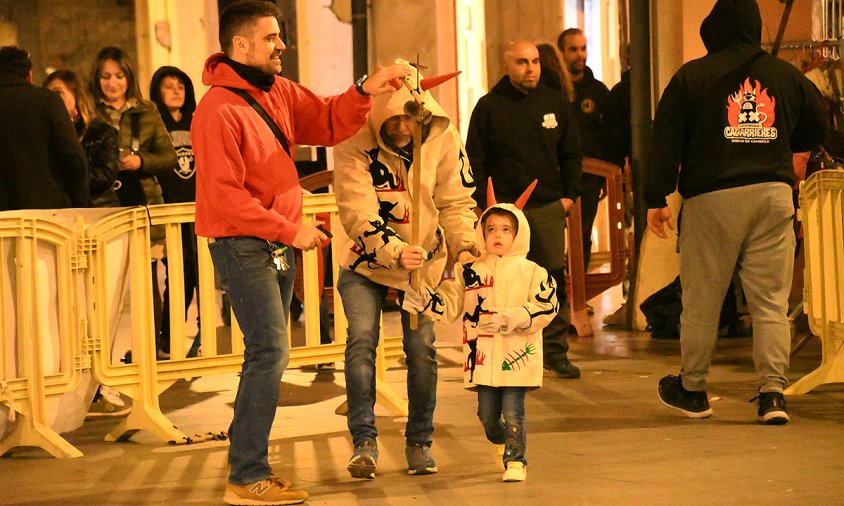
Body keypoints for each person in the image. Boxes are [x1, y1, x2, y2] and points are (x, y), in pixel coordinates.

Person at [190, 2, 411, 504]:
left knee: (267, 353)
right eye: (270, 37)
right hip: (244, 243)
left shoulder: (279, 91)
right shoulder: (217, 111)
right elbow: (225, 197)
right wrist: (289, 229)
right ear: (240, 46)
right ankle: (246, 477)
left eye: (281, 36)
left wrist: (365, 90)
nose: (281, 45)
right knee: (270, 352)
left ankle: (250, 468)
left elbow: (328, 121)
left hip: (271, 241)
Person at [646, 0, 827, 425]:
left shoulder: (691, 76)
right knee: (770, 302)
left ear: (713, 28)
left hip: (713, 198)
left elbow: (665, 138)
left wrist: (656, 197)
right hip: (773, 194)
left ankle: (692, 389)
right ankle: (773, 395)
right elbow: (817, 125)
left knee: (703, 300)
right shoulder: (785, 75)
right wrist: (782, 140)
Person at [333, 60, 479, 480]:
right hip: (366, 261)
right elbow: (356, 209)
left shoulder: (443, 137)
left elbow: (455, 201)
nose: (401, 126)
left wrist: (465, 244)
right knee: (362, 340)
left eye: (410, 117)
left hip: (423, 266)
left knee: (422, 350)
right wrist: (394, 251)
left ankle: (419, 441)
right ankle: (364, 441)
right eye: (394, 116)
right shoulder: (354, 138)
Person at [401, 183, 558, 483]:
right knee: (487, 416)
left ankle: (516, 459)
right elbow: (451, 302)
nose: (497, 235)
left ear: (519, 234)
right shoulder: (470, 271)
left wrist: (513, 318)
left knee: (514, 411)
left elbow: (546, 305)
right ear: (481, 233)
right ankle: (500, 439)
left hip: (517, 359)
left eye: (506, 230)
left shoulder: (533, 273)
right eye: (491, 229)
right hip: (482, 360)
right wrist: (425, 301)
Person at [467, 40, 582, 380]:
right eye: (521, 62)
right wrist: (479, 204)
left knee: (551, 278)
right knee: (504, 280)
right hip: (503, 210)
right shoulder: (489, 107)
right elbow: (476, 158)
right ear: (507, 66)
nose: (530, 68)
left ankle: (556, 350)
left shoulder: (555, 102)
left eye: (534, 61)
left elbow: (572, 153)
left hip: (547, 205)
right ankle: (505, 347)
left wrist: (569, 197)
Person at [149, 66, 200, 359]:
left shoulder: (196, 121)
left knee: (198, 275)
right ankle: (166, 340)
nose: (176, 91)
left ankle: (198, 335)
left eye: (181, 85)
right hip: (167, 211)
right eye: (168, 86)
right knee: (178, 275)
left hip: (197, 209)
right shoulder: (155, 125)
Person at [0, 46, 88, 210]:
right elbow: (73, 158)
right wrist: (78, 205)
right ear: (30, 75)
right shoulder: (48, 101)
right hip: (47, 214)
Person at [90, 47, 177, 210]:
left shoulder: (147, 110)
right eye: (106, 77)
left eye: (119, 76)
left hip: (145, 202)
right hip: (102, 203)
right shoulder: (89, 111)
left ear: (129, 77)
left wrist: (140, 161)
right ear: (97, 79)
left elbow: (170, 157)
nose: (112, 83)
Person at [557, 28, 610, 273]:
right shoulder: (553, 93)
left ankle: (580, 291)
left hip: (589, 177)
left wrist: (606, 177)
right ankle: (558, 294)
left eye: (583, 48)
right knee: (554, 235)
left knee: (583, 235)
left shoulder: (598, 92)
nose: (580, 55)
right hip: (556, 177)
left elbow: (608, 134)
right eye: (573, 49)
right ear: (562, 53)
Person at [45, 70, 120, 208]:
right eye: (48, 94)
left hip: (99, 209)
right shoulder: (46, 134)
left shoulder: (101, 132)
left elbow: (106, 174)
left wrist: (70, 177)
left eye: (58, 93)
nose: (52, 99)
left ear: (76, 95)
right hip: (62, 212)